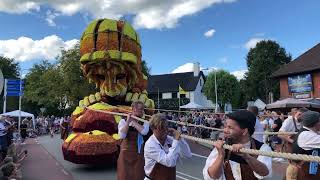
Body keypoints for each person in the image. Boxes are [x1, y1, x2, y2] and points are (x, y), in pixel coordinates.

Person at [203, 110, 272, 180]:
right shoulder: (222, 147)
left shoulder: (262, 148)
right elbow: (212, 176)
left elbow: (265, 173)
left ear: (244, 131)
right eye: (225, 126)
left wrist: (246, 156)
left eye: (230, 127)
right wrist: (221, 156)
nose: (225, 130)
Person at [144, 113, 192, 180]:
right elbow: (169, 162)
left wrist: (180, 139)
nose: (165, 130)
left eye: (166, 127)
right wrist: (176, 140)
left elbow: (187, 155)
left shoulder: (169, 139)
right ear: (153, 128)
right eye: (161, 128)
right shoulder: (150, 145)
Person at [117, 101, 150, 180]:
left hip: (138, 154)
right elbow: (122, 135)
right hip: (125, 155)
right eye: (140, 109)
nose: (142, 111)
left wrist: (134, 122)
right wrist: (128, 121)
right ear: (133, 109)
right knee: (124, 176)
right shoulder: (123, 121)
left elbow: (144, 132)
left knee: (138, 176)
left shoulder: (145, 122)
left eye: (143, 109)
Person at [285, 111, 320, 180]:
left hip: (307, 173)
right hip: (302, 174)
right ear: (316, 123)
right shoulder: (306, 135)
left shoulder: (309, 132)